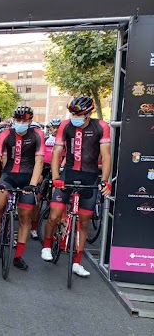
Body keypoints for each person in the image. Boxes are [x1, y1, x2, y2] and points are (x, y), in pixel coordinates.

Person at [42, 96, 111, 277]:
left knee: (84, 222)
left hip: (90, 176)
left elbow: (106, 155)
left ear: (89, 113)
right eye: (72, 113)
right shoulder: (66, 125)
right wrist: (56, 176)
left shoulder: (100, 127)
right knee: (55, 214)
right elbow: (57, 151)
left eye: (78, 114)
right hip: (69, 173)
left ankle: (77, 263)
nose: (74, 116)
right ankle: (48, 245)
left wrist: (105, 181)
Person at [0, 106, 44, 270]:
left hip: (28, 178)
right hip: (9, 176)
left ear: (30, 121)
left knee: (25, 216)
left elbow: (39, 161)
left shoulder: (37, 135)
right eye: (17, 120)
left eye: (24, 121)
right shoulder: (6, 134)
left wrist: (33, 184)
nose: (20, 123)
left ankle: (18, 256)